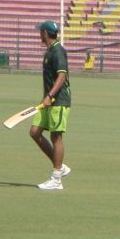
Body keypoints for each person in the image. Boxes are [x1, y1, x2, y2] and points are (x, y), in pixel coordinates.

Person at [30, 20, 71, 191]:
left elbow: (61, 77)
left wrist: (50, 96)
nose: (39, 33)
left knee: (56, 137)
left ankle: (56, 179)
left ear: (45, 33)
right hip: (48, 100)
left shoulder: (58, 51)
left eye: (40, 31)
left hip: (59, 101)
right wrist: (44, 98)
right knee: (35, 132)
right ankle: (60, 167)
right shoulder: (49, 51)